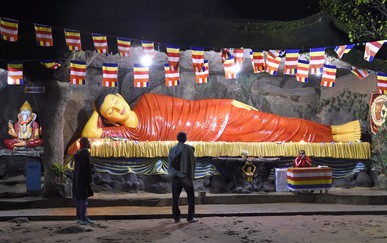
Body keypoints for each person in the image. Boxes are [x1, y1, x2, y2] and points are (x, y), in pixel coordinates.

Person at [81, 93, 361, 143]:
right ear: (111, 120)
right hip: (214, 135)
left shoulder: (147, 101)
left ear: (121, 95)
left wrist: (228, 102)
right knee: (273, 133)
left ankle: (334, 131)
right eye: (110, 112)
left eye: (116, 101)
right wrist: (97, 107)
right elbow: (89, 135)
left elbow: (192, 105)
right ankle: (332, 134)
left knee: (277, 124)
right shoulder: (127, 133)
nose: (118, 108)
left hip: (216, 115)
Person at [168, 132, 197, 223]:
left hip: (175, 176)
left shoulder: (172, 149)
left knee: (175, 198)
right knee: (191, 196)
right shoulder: (189, 149)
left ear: (177, 138)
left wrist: (173, 173)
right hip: (185, 177)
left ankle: (176, 217)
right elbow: (193, 162)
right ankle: (190, 217)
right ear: (185, 139)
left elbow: (170, 163)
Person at [73, 137, 95, 225]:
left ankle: (79, 217)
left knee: (79, 199)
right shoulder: (85, 153)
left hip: (78, 179)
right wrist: (90, 179)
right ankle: (83, 217)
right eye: (89, 142)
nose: (90, 143)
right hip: (83, 179)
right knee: (84, 199)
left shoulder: (78, 153)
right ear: (85, 144)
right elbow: (87, 168)